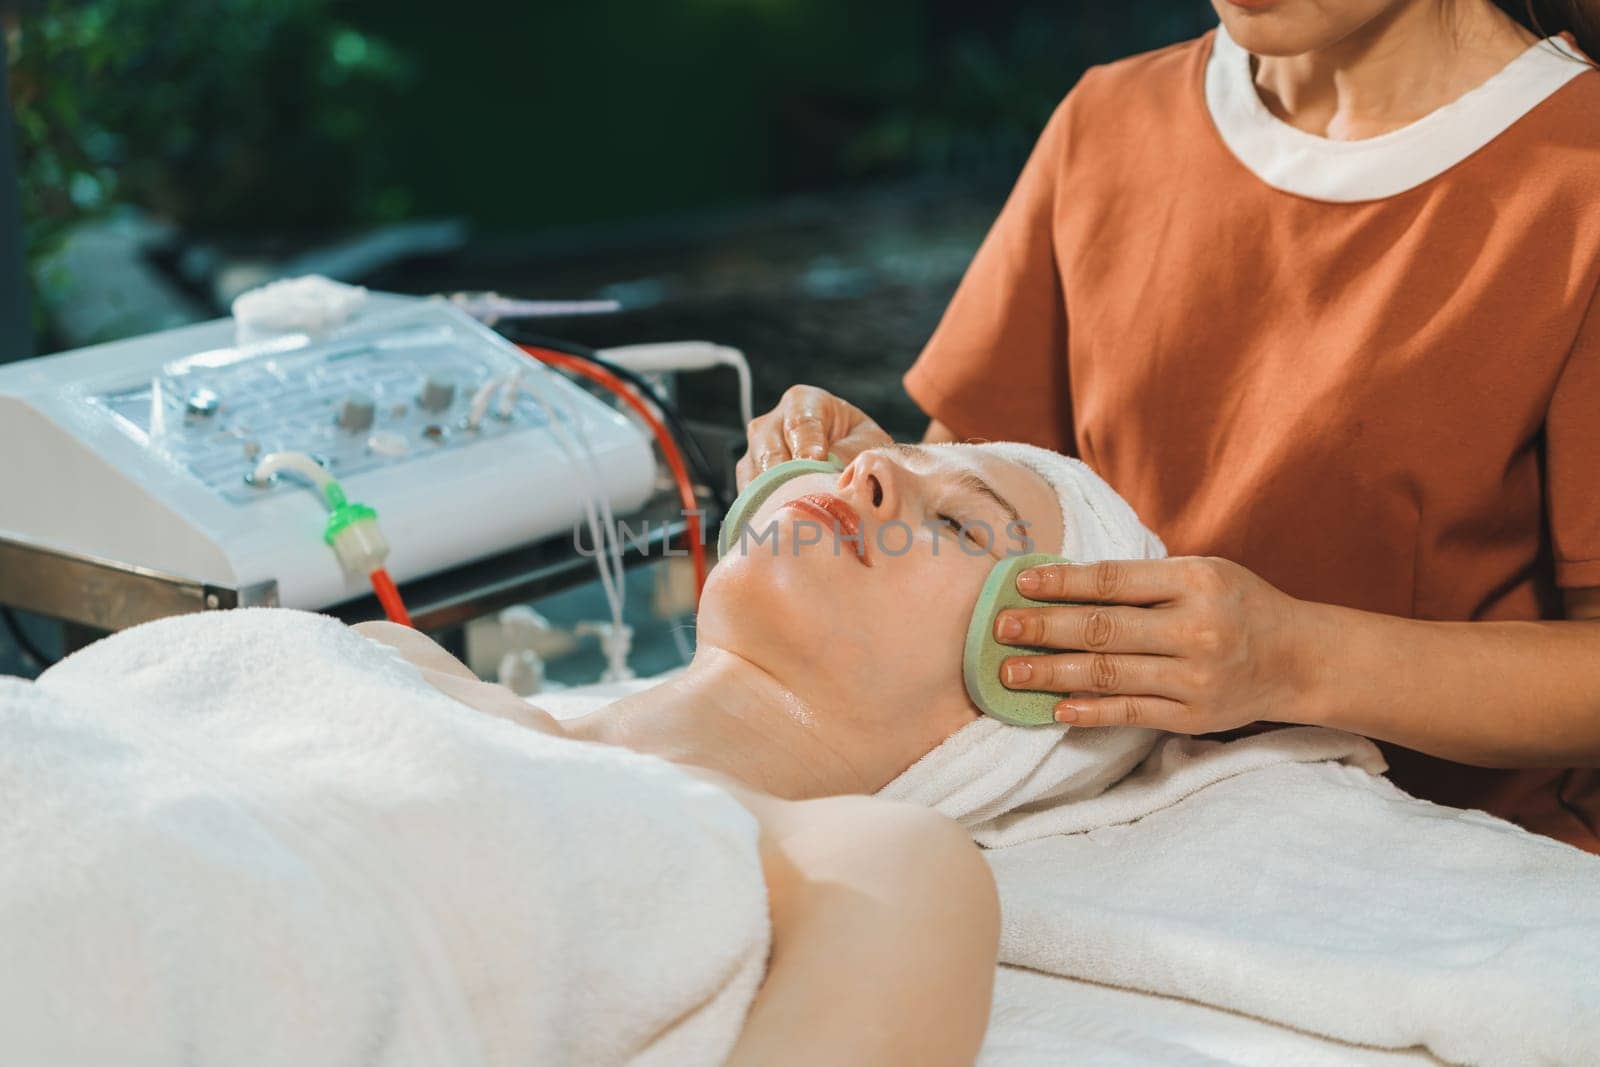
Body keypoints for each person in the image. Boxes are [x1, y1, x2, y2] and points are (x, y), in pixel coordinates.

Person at [740, 0, 1600, 852]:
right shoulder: (1109, 121)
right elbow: (973, 500)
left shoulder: (1577, 174)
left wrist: (1296, 659)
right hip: (1109, 844)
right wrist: (870, 478)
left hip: (1466, 879)